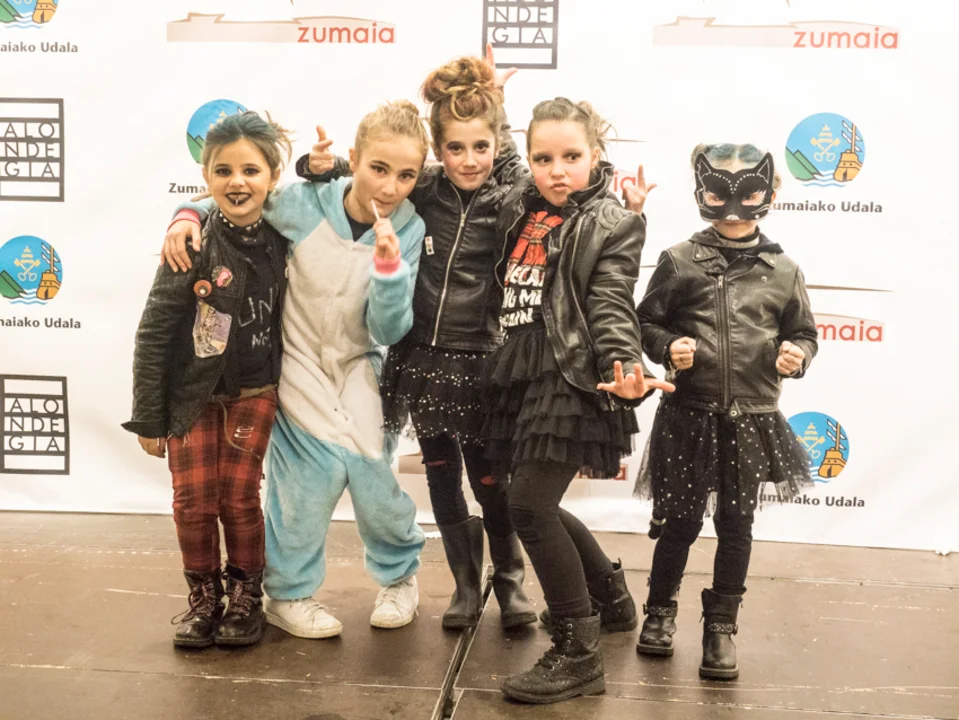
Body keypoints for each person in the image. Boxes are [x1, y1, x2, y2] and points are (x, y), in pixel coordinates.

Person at [160, 101, 430, 638]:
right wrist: (186, 214)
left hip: (359, 364)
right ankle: (288, 594)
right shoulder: (306, 203)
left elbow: (389, 328)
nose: (390, 187)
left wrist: (388, 270)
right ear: (354, 159)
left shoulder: (410, 225)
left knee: (374, 477)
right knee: (308, 480)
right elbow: (236, 199)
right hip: (298, 361)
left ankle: (400, 577)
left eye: (406, 176)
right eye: (378, 169)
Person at [296, 48, 545, 631]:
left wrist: (498, 107)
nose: (469, 159)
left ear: (497, 143)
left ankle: (509, 580)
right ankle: (464, 584)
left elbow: (537, 169)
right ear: (437, 148)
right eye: (455, 147)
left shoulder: (510, 191)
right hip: (424, 359)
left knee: (491, 480)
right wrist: (314, 166)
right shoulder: (423, 188)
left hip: (485, 358)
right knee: (440, 474)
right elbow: (362, 175)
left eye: (481, 146)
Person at [485, 97, 673, 704]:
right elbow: (503, 158)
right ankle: (610, 601)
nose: (556, 170)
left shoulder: (611, 222)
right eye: (544, 158)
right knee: (531, 499)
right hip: (521, 369)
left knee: (528, 507)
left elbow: (611, 301)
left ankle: (577, 652)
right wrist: (493, 104)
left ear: (596, 156)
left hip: (569, 376)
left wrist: (625, 365)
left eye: (571, 157)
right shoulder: (523, 199)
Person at [634, 143, 817, 680]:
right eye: (718, 194)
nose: (733, 208)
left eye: (749, 192)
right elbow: (646, 322)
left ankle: (721, 626)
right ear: (701, 192)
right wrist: (667, 346)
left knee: (737, 525)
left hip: (752, 417)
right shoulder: (679, 260)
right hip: (690, 415)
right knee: (681, 523)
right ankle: (659, 611)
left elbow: (804, 331)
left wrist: (798, 354)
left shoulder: (783, 270)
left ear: (771, 192)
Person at [123, 111, 292, 648]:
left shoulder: (286, 235)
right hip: (190, 397)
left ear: (273, 176)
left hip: (255, 392)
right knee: (192, 502)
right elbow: (154, 333)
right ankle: (203, 598)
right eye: (223, 171)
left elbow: (333, 198)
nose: (237, 182)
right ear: (206, 176)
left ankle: (245, 597)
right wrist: (149, 417)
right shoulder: (190, 244)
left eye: (251, 170)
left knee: (239, 498)